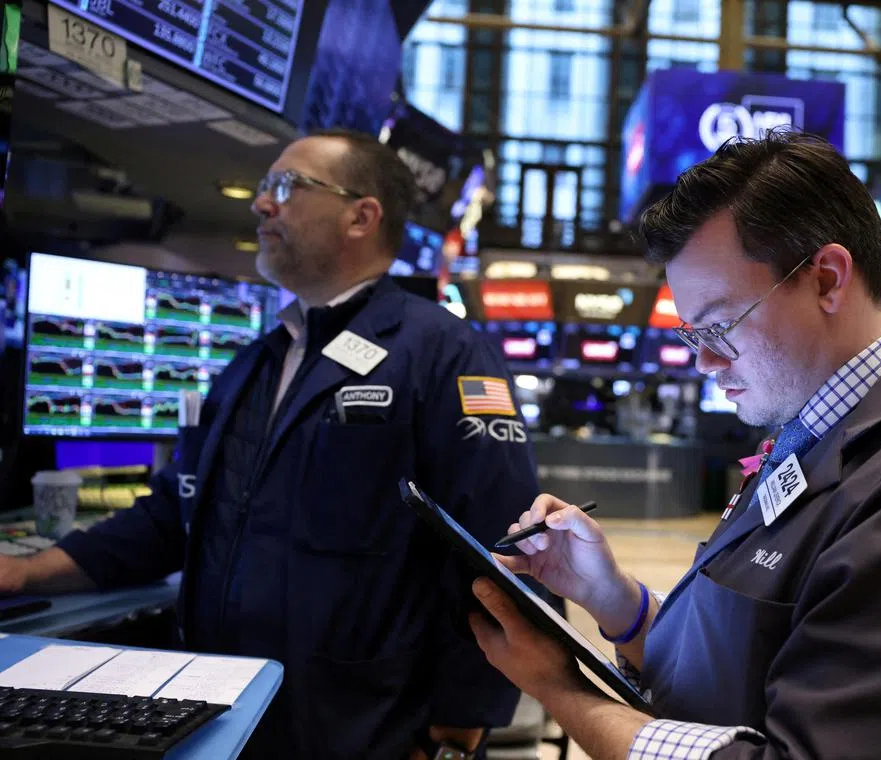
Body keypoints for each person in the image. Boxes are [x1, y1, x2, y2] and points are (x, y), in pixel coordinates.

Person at [467, 133, 881, 760]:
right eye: (691, 332)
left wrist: (561, 690)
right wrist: (611, 598)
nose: (703, 360)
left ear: (827, 279)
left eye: (721, 324)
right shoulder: (814, 437)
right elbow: (734, 671)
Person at [0, 129, 539, 759]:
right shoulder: (255, 363)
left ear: (361, 215)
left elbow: (499, 547)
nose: (261, 204)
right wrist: (23, 574)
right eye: (264, 188)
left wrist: (459, 727)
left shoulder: (442, 351)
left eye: (287, 187)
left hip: (367, 724)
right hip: (224, 710)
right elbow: (170, 517)